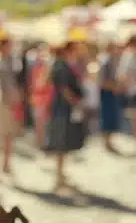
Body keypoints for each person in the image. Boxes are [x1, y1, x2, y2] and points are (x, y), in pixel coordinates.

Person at [47, 41, 87, 192]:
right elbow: (64, 89)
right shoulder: (61, 66)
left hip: (63, 108)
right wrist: (75, 102)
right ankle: (58, 177)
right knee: (61, 141)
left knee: (63, 142)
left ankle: (61, 175)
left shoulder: (61, 64)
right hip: (62, 109)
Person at [0, 39, 22, 174]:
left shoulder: (11, 61)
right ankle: (1, 164)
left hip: (8, 102)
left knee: (8, 135)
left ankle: (5, 163)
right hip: (2, 102)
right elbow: (3, 86)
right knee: (1, 134)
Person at [98, 42, 123, 153]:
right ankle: (106, 142)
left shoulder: (111, 61)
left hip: (110, 92)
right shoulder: (105, 62)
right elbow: (102, 81)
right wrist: (114, 87)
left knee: (111, 117)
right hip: (107, 93)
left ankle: (108, 141)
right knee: (107, 117)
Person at [28, 44, 54, 149]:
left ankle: (44, 142)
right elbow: (36, 84)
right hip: (39, 98)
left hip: (45, 98)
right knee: (39, 122)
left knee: (44, 122)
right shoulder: (36, 67)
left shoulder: (46, 67)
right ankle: (41, 143)